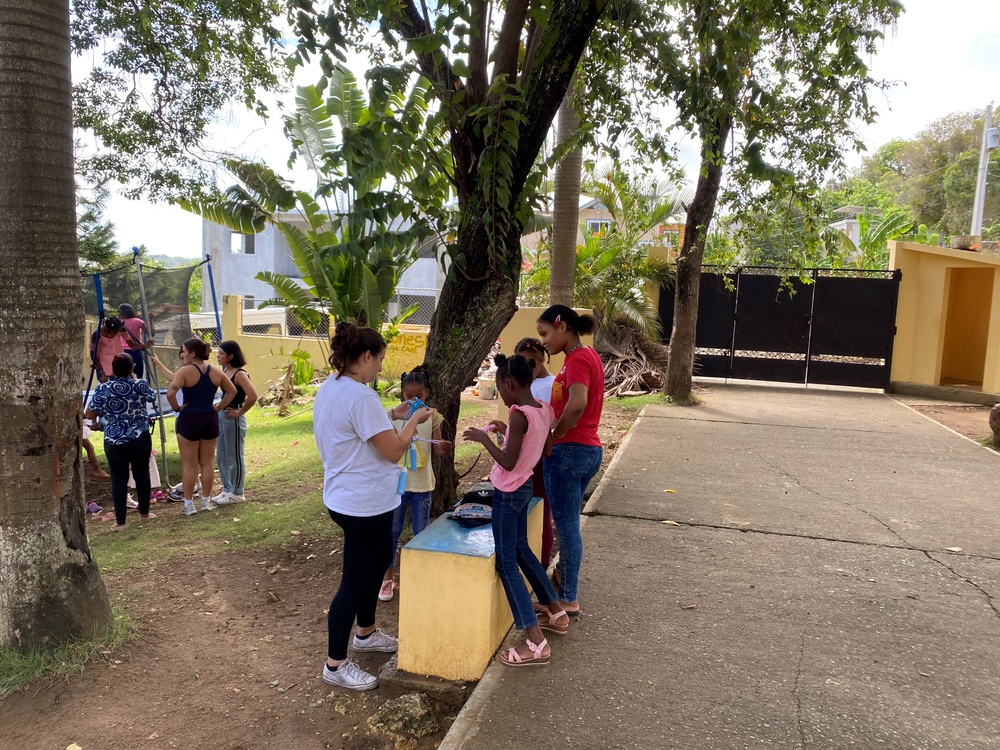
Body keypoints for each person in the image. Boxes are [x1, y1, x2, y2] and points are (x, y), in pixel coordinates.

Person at [314, 321, 432, 691]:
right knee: (355, 580)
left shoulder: (334, 388)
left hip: (355, 497)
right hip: (362, 504)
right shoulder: (360, 396)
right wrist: (414, 418)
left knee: (380, 560)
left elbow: (361, 428)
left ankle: (365, 633)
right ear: (365, 356)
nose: (381, 367)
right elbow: (394, 449)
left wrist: (395, 415)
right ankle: (335, 664)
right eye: (379, 359)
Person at [464, 353, 569, 667]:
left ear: (509, 383)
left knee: (506, 564)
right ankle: (556, 611)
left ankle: (536, 642)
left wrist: (485, 438)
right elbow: (544, 447)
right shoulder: (542, 409)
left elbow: (508, 462)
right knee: (523, 550)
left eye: (500, 389)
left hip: (508, 492)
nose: (501, 395)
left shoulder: (519, 414)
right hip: (524, 487)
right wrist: (506, 432)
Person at [536, 305, 604, 616]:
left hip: (570, 451)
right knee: (568, 524)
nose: (544, 341)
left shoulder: (578, 359)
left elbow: (577, 404)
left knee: (566, 529)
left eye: (545, 333)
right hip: (587, 450)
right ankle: (562, 574)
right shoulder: (585, 357)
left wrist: (553, 437)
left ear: (562, 326)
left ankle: (568, 599)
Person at [378, 367, 452, 602]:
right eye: (408, 397)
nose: (413, 401)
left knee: (421, 533)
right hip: (396, 486)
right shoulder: (395, 416)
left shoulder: (433, 416)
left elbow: (437, 450)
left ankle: (422, 578)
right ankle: (387, 579)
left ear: (427, 393)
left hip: (422, 485)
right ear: (401, 394)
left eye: (418, 396)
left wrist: (442, 447)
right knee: (392, 532)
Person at [163, 338, 236, 517]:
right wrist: (218, 407)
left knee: (189, 465)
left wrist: (176, 408)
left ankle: (188, 504)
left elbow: (170, 393)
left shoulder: (185, 371)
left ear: (192, 353)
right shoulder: (215, 371)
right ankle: (206, 501)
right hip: (209, 418)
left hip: (189, 418)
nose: (182, 355)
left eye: (184, 352)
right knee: (207, 462)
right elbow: (232, 390)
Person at [84, 353, 157, 530]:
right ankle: (145, 513)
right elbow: (151, 397)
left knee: (118, 479)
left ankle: (120, 522)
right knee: (142, 474)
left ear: (113, 370)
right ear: (132, 368)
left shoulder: (104, 389)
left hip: (115, 439)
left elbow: (89, 413)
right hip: (140, 435)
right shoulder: (141, 384)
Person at [514, 336, 555, 568]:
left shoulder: (548, 386)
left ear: (540, 360)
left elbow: (544, 426)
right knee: (529, 511)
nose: (525, 369)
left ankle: (542, 564)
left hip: (538, 457)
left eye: (529, 363)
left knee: (541, 512)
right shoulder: (530, 382)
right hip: (526, 455)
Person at [211, 341, 258, 505]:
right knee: (222, 454)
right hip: (223, 415)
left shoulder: (240, 374)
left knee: (234, 455)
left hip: (233, 416)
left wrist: (239, 412)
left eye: (221, 353)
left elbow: (252, 396)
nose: (218, 356)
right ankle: (227, 489)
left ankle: (238, 492)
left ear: (231, 356)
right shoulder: (226, 371)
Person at [91, 317, 140, 383]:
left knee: (120, 383)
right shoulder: (97, 335)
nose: (117, 333)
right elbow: (93, 354)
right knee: (104, 385)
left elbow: (132, 344)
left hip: (118, 365)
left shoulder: (121, 330)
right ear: (108, 329)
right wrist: (102, 371)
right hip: (103, 366)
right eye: (115, 332)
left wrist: (144, 345)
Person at [118, 303, 150, 379]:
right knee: (138, 374)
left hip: (122, 351)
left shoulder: (118, 323)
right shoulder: (138, 321)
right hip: (135, 350)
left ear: (121, 312)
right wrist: (151, 320)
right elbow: (149, 332)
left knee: (122, 374)